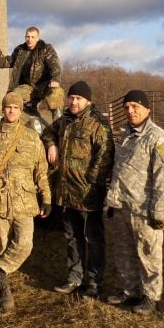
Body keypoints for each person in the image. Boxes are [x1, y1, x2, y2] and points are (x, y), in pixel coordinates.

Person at [0, 92, 51, 310]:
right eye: (8, 107)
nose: (11, 111)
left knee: (25, 244)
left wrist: (46, 197)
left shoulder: (30, 137)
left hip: (24, 200)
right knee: (0, 246)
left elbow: (41, 171)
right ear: (3, 109)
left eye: (16, 108)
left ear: (20, 110)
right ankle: (3, 288)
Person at [105, 90, 164, 314]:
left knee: (148, 253)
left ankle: (151, 296)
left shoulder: (158, 137)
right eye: (127, 107)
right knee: (123, 252)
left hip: (143, 210)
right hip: (122, 206)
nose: (130, 111)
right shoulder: (126, 135)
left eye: (135, 106)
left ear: (147, 108)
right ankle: (130, 291)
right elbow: (119, 171)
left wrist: (158, 211)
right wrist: (112, 200)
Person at [41, 81, 114, 298]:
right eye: (71, 97)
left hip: (87, 194)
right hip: (66, 193)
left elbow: (105, 158)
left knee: (93, 238)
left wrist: (92, 188)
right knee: (72, 238)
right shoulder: (64, 120)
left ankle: (94, 282)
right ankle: (74, 277)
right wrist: (51, 144)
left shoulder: (98, 124)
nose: (73, 101)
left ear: (87, 101)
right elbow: (46, 132)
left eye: (78, 98)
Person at [0, 26, 65, 120]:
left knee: (57, 93)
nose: (29, 39)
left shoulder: (46, 49)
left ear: (38, 38)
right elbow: (4, 63)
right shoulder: (20, 50)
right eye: (27, 37)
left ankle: (59, 124)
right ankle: (13, 121)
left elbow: (55, 66)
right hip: (27, 88)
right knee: (13, 98)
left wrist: (55, 80)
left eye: (32, 37)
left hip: (45, 86)